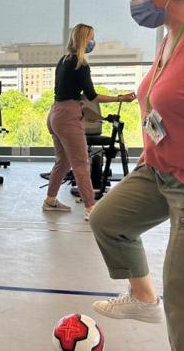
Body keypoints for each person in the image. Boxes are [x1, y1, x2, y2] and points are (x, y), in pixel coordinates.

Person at [89, 0, 184, 350]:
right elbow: (164, 104)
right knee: (106, 219)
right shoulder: (172, 36)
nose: (134, 4)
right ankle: (142, 297)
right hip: (159, 169)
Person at [43, 23, 135, 220]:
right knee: (80, 163)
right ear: (84, 40)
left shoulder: (64, 60)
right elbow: (92, 96)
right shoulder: (81, 64)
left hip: (55, 114)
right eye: (92, 38)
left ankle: (50, 200)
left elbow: (70, 91)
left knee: (64, 160)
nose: (94, 41)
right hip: (67, 117)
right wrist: (120, 98)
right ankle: (91, 208)